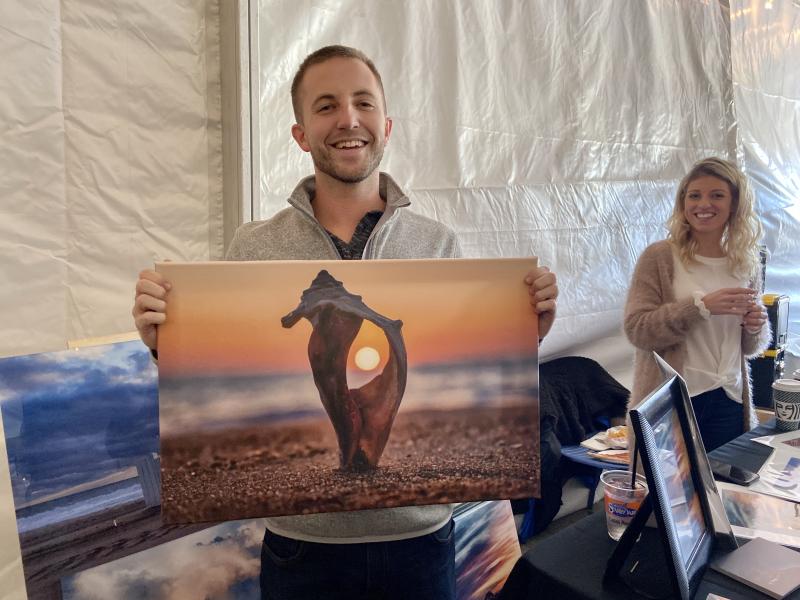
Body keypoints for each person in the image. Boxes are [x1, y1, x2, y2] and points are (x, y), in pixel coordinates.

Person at [133, 45, 559, 600]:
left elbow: (464, 367)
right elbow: (230, 364)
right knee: (338, 415)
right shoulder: (254, 248)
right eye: (326, 106)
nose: (348, 119)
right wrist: (166, 345)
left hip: (420, 542)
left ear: (385, 126)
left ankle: (362, 457)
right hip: (302, 549)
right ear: (301, 133)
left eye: (362, 103)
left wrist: (527, 336)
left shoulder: (438, 245)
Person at [624, 157, 770, 452]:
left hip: (730, 400)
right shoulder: (660, 257)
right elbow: (637, 329)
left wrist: (756, 325)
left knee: (723, 494)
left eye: (717, 195)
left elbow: (749, 347)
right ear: (683, 203)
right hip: (674, 402)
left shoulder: (746, 263)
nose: (704, 204)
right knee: (666, 497)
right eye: (695, 195)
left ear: (735, 204)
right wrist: (699, 307)